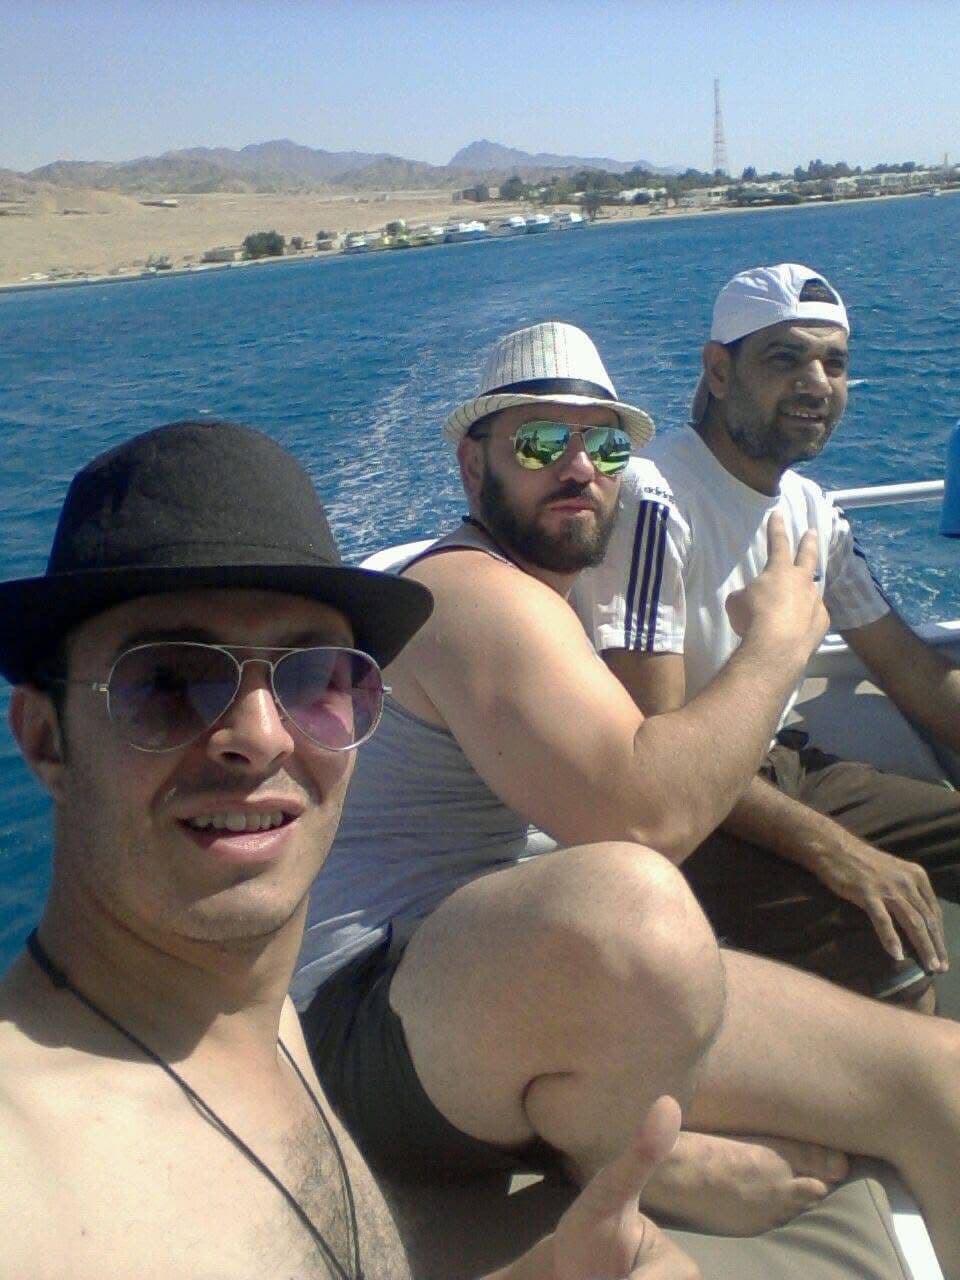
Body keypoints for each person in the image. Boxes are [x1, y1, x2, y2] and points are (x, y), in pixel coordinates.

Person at [296, 322, 960, 1268]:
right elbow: (649, 820)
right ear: (469, 460)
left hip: (492, 980)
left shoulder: (541, 595)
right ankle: (622, 1145)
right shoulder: (474, 595)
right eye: (539, 442)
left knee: (939, 1079)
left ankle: (606, 1135)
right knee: (630, 900)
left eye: (605, 444)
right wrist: (777, 639)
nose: (579, 466)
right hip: (374, 1019)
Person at [0, 419, 700, 1280]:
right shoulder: (26, 1172)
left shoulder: (257, 1019)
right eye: (170, 682)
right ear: (46, 741)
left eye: (314, 678)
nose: (260, 738)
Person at [571, 263, 960, 1013]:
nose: (817, 382)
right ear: (718, 372)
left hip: (786, 771)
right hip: (691, 819)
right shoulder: (657, 499)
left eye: (835, 363)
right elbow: (660, 757)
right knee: (888, 950)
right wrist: (837, 851)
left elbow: (907, 667)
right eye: (785, 359)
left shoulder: (814, 509)